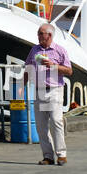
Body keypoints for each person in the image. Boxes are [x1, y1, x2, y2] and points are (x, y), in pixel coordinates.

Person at [25, 22, 71, 165]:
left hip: (54, 90)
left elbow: (69, 71)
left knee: (56, 121)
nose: (38, 36)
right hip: (39, 90)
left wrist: (53, 65)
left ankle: (61, 154)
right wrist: (22, 84)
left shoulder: (60, 51)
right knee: (41, 125)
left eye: (40, 34)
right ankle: (48, 156)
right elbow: (28, 67)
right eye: (38, 33)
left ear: (49, 35)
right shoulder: (34, 50)